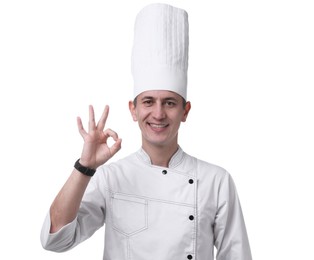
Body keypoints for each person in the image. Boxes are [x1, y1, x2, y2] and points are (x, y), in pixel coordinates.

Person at [41, 3, 252, 260]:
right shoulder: (111, 178)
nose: (159, 114)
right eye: (148, 101)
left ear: (185, 111)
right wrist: (85, 166)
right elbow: (56, 239)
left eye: (170, 103)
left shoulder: (216, 181)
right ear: (133, 110)